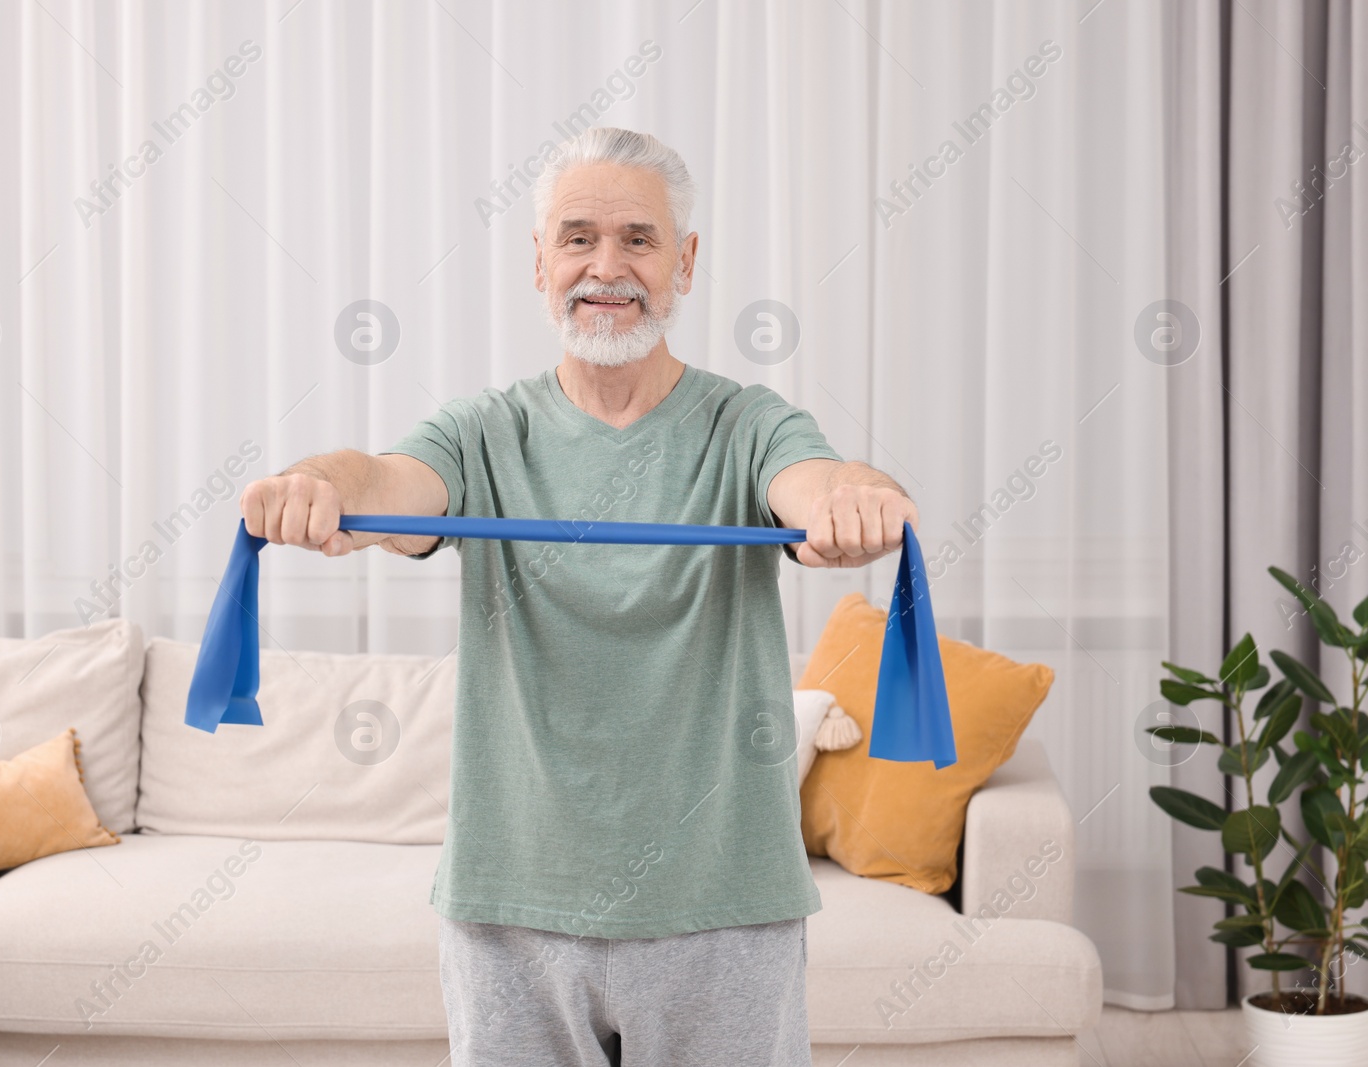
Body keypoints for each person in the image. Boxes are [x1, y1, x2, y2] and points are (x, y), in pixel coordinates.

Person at [239, 127, 918, 1067]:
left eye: (639, 239)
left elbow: (818, 479)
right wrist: (319, 480)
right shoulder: (482, 431)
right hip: (510, 909)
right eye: (578, 238)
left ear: (684, 261)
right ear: (539, 263)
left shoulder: (750, 424)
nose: (608, 266)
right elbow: (387, 481)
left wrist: (854, 498)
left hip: (724, 907)